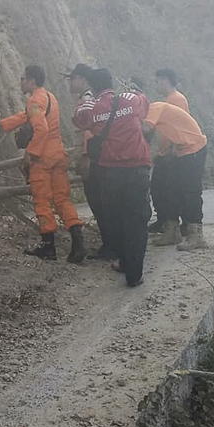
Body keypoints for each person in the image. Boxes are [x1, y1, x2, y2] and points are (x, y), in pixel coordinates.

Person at [0, 65, 86, 263]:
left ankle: (48, 247)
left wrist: (30, 153)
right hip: (58, 154)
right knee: (62, 199)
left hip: (43, 158)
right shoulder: (49, 97)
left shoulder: (35, 99)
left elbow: (41, 129)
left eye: (22, 79)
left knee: (42, 201)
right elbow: (25, 116)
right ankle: (78, 244)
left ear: (31, 81)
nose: (20, 82)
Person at [72, 69, 151, 287]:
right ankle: (133, 273)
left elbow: (80, 120)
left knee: (116, 219)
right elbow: (144, 102)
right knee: (136, 220)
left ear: (93, 87)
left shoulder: (93, 107)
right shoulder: (128, 99)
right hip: (137, 168)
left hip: (109, 173)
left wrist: (86, 99)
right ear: (111, 84)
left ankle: (124, 261)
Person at [63, 64, 115, 260]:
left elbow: (89, 130)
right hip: (96, 158)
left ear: (82, 79)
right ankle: (110, 245)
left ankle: (111, 246)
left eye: (72, 78)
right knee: (101, 203)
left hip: (93, 159)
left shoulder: (87, 100)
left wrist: (85, 157)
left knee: (100, 203)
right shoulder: (90, 99)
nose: (70, 83)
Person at [144, 102, 209, 250]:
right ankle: (172, 231)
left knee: (190, 191)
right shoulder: (157, 111)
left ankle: (196, 235)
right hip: (181, 150)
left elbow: (146, 129)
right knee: (171, 190)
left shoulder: (154, 108)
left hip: (194, 148)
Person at [150, 68, 190, 234]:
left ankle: (173, 222)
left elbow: (180, 126)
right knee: (160, 188)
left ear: (165, 80)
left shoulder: (177, 99)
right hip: (165, 151)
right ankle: (165, 220)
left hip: (171, 152)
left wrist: (173, 149)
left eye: (158, 80)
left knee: (167, 188)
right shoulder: (170, 99)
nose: (156, 84)